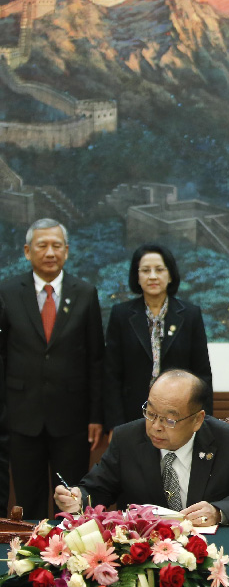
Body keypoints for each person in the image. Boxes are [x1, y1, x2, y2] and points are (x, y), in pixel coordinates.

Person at [54, 369, 229, 526]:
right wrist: (77, 500)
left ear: (197, 420)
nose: (155, 427)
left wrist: (218, 512)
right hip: (144, 556)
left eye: (169, 420)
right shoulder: (127, 439)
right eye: (150, 413)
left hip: (212, 553)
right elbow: (95, 490)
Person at [0, 218, 105, 520]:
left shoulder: (85, 293)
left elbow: (96, 358)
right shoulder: (7, 292)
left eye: (56, 246)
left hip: (71, 418)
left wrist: (96, 416)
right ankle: (31, 563)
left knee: (71, 500)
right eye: (42, 245)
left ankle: (71, 561)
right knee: (28, 501)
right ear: (27, 251)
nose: (49, 252)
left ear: (67, 251)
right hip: (22, 417)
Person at [104, 243, 212, 429]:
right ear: (137, 276)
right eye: (145, 270)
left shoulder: (189, 315)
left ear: (170, 275)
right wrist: (115, 425)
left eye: (159, 269)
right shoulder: (121, 315)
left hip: (179, 416)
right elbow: (111, 375)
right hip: (132, 417)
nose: (152, 276)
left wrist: (204, 422)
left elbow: (202, 374)